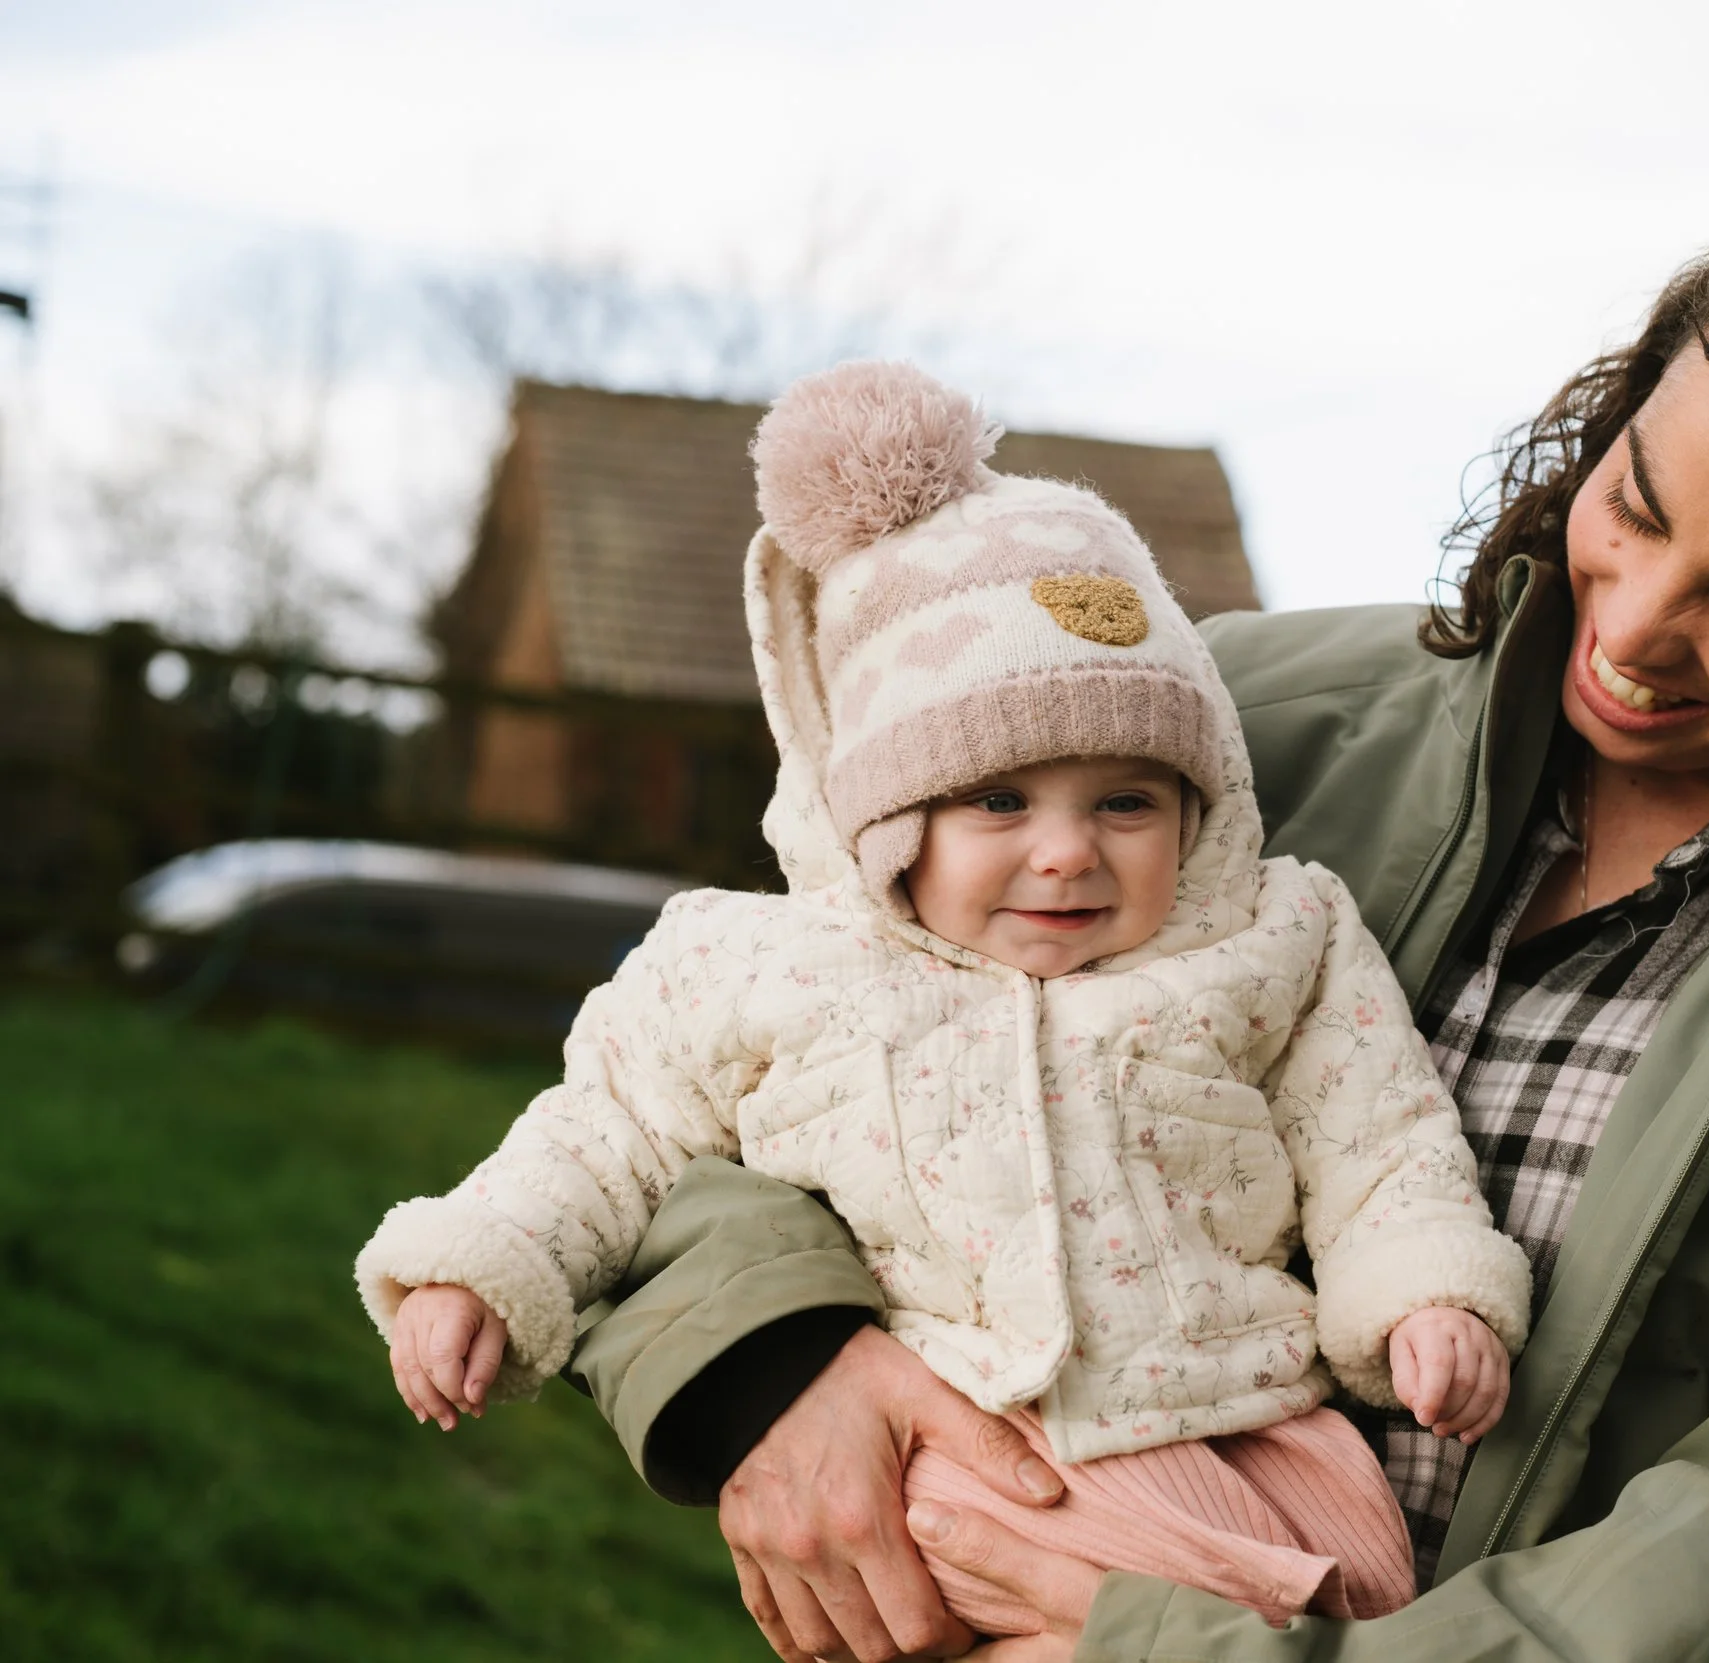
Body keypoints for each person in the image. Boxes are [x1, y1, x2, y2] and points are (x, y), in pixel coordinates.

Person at [562, 168, 1709, 1663]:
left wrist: (1190, 1648)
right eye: (1634, 508)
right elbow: (730, 1053)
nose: (1634, 628)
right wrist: (775, 1360)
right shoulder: (1223, 722)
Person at [355, 362, 1535, 1639]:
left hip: (1237, 1436)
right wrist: (483, 1268)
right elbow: (605, 1132)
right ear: (886, 821)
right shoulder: (764, 966)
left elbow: (1378, 1139)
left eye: (1126, 801)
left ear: (1201, 807)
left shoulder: (1270, 943)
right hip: (953, 1456)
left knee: (1324, 1607)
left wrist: (1423, 1293)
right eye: (998, 801)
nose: (1067, 852)